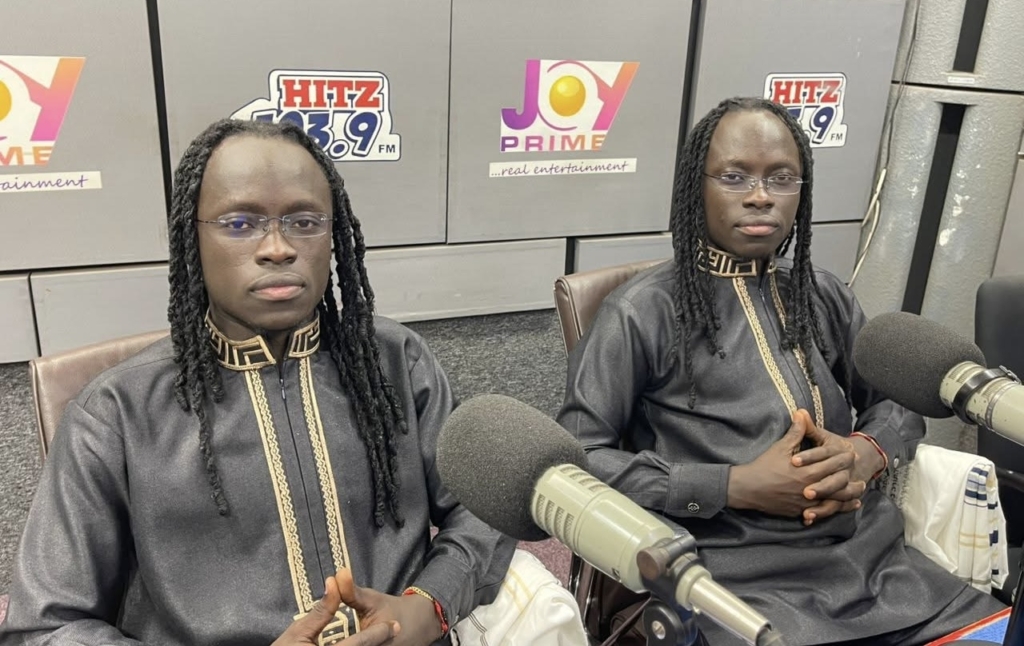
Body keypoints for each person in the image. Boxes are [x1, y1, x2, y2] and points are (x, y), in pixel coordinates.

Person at [0, 119, 515, 646]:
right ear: (192, 238)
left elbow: (484, 507)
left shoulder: (397, 363)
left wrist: (429, 606)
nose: (277, 248)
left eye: (304, 221)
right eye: (240, 223)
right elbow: (44, 626)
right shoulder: (116, 411)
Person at [556, 97, 1006, 645]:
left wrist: (865, 452)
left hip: (877, 567)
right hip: (726, 579)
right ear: (696, 187)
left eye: (782, 178)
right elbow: (576, 461)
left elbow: (899, 395)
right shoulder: (640, 312)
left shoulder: (821, 294)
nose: (761, 195)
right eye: (734, 176)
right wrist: (733, 486)